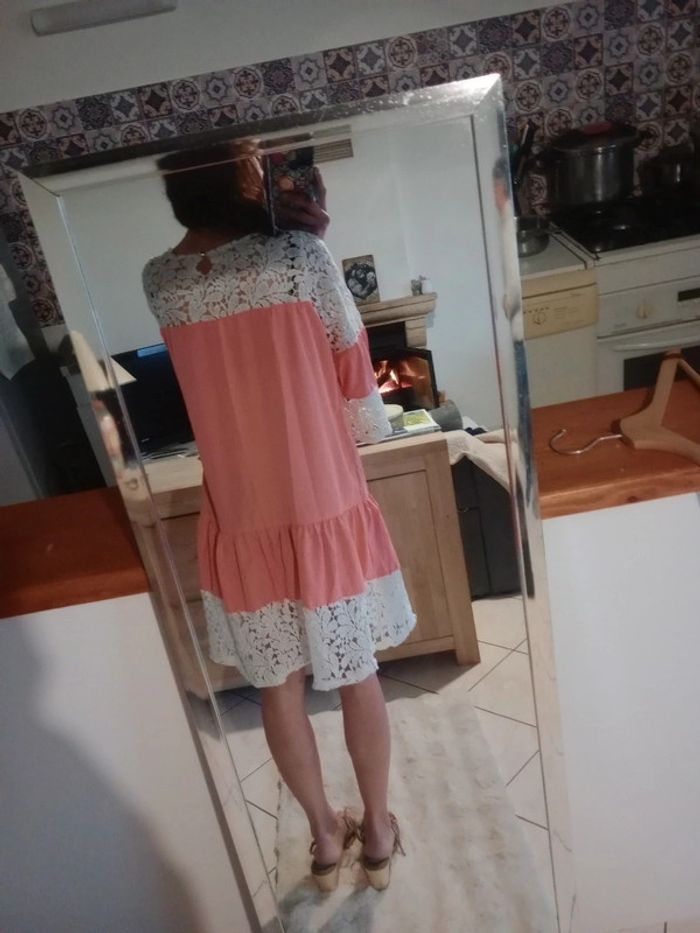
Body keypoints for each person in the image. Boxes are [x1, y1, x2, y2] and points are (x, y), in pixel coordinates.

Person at [142, 142, 415, 892]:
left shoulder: (160, 279)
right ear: (239, 174)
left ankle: (325, 837)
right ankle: (378, 832)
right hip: (320, 490)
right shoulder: (297, 255)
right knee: (357, 672)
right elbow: (351, 353)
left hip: (240, 503)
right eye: (256, 164)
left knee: (278, 684)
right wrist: (365, 433)